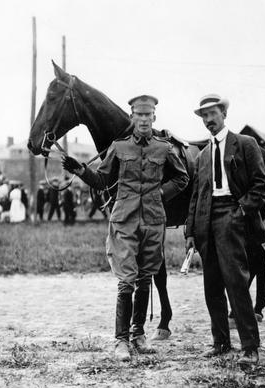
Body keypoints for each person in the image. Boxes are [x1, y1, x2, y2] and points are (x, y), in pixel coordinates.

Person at [62, 94, 189, 361]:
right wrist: (80, 170)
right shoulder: (119, 148)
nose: (144, 120)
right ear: (132, 117)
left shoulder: (164, 149)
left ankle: (138, 335)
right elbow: (101, 180)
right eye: (139, 115)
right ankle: (121, 341)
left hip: (153, 222)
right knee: (126, 280)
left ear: (154, 117)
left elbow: (182, 178)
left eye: (148, 115)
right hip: (124, 221)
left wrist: (160, 194)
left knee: (145, 279)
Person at [185, 94, 265, 366]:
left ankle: (250, 347)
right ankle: (221, 342)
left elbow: (261, 185)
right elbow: (195, 196)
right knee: (211, 285)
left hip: (232, 217)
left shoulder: (245, 144)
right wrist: (190, 232)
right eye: (204, 116)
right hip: (204, 221)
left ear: (223, 113)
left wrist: (240, 211)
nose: (209, 121)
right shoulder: (203, 156)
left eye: (213, 114)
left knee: (236, 282)